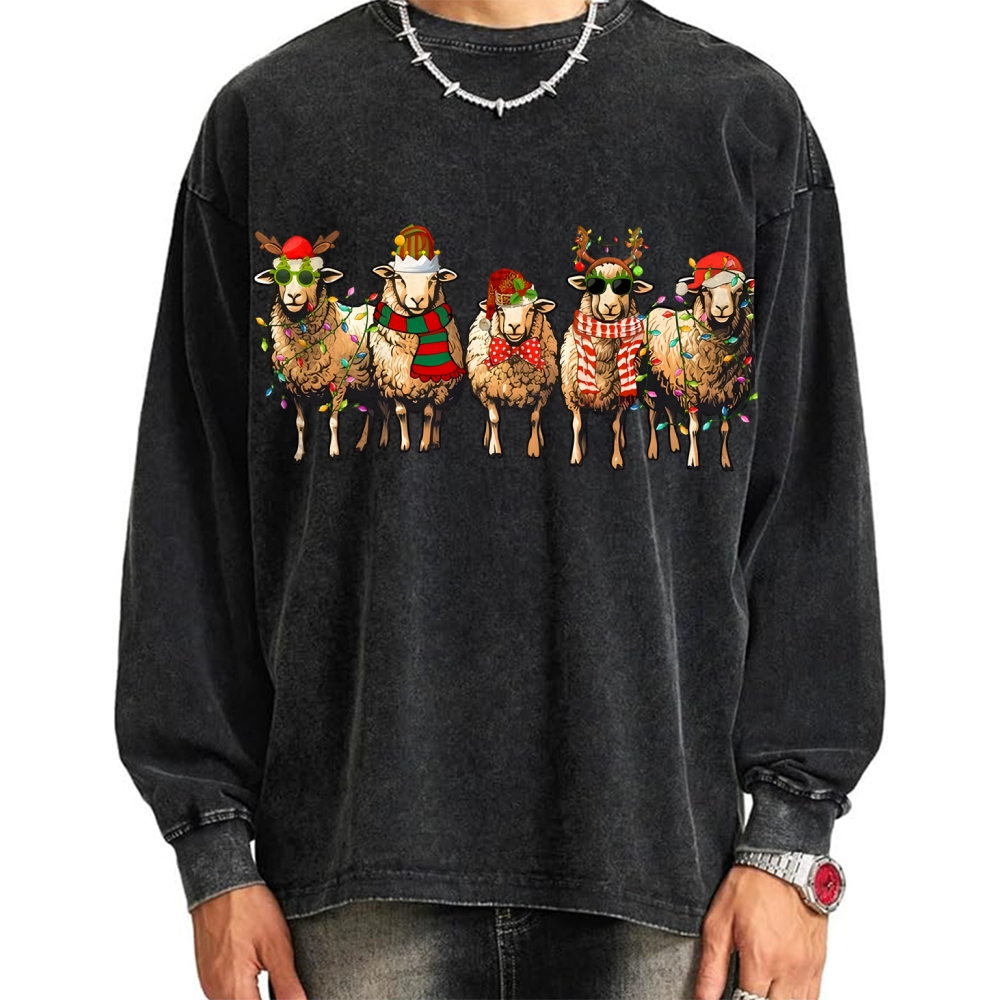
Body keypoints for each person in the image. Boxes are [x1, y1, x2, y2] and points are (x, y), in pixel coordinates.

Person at [114, 1, 885, 998]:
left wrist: (791, 842)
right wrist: (212, 850)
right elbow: (190, 502)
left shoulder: (738, 120)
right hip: (353, 883)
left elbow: (812, 499)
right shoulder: (274, 119)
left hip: (662, 884)